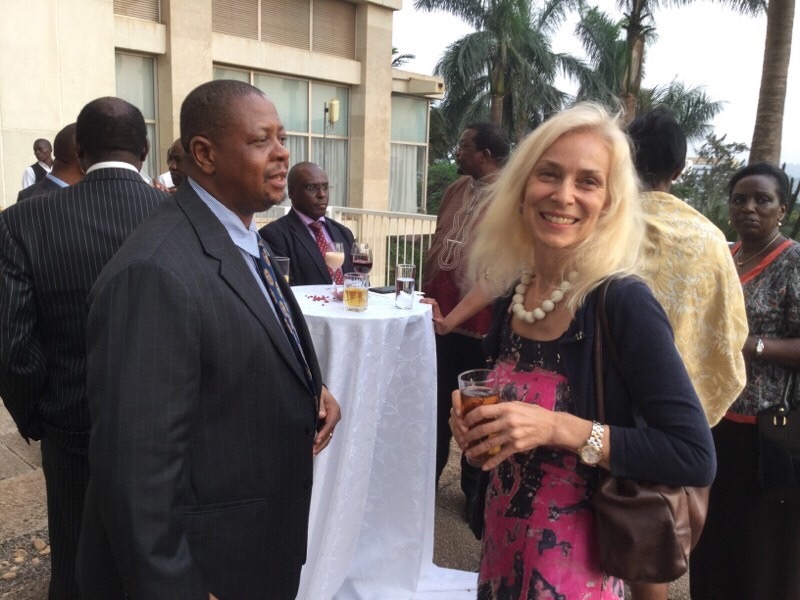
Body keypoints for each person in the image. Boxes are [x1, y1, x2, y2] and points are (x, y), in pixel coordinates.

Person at [76, 80, 341, 600]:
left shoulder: (237, 234)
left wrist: (311, 386)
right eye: (261, 140)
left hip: (260, 544)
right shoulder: (155, 271)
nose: (282, 153)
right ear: (205, 153)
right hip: (212, 566)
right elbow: (136, 471)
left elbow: (247, 333)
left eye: (282, 138)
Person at [448, 103, 715, 599]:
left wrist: (558, 428)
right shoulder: (515, 295)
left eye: (588, 182)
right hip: (503, 550)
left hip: (578, 572)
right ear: (522, 189)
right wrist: (475, 428)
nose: (564, 195)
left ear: (610, 203)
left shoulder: (623, 302)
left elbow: (693, 455)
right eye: (548, 174)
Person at [0, 97, 167, 599]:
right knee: (163, 559)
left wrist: (36, 416)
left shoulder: (22, 221)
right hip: (172, 425)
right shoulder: (184, 216)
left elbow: (12, 342)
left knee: (75, 562)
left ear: (79, 151)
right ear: (144, 149)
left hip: (72, 423)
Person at [624, 108, 749, 600]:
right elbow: (729, 330)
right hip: (674, 415)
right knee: (650, 538)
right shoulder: (709, 239)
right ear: (678, 170)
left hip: (594, 404)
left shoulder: (600, 224)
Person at [690, 162, 800, 600]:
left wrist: (751, 345)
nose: (749, 208)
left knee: (762, 542)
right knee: (714, 534)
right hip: (715, 422)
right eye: (740, 199)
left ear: (782, 210)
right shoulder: (724, 257)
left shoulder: (793, 262)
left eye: (762, 200)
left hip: (768, 430)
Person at [421, 122, 511, 512]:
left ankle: (474, 496)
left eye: (464, 146)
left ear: (485, 155)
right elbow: (442, 238)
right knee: (436, 406)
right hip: (439, 320)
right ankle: (425, 486)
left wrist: (454, 318)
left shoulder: (512, 197)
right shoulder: (457, 189)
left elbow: (501, 272)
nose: (457, 152)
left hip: (481, 328)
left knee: (478, 414)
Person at [259, 161, 354, 285]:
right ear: (292, 193)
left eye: (325, 187)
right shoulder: (273, 235)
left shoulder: (344, 233)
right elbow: (284, 288)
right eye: (311, 188)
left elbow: (359, 280)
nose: (322, 194)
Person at [17, 123, 84, 202]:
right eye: (35, 150)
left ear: (50, 149)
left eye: (40, 149)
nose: (37, 152)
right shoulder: (30, 171)